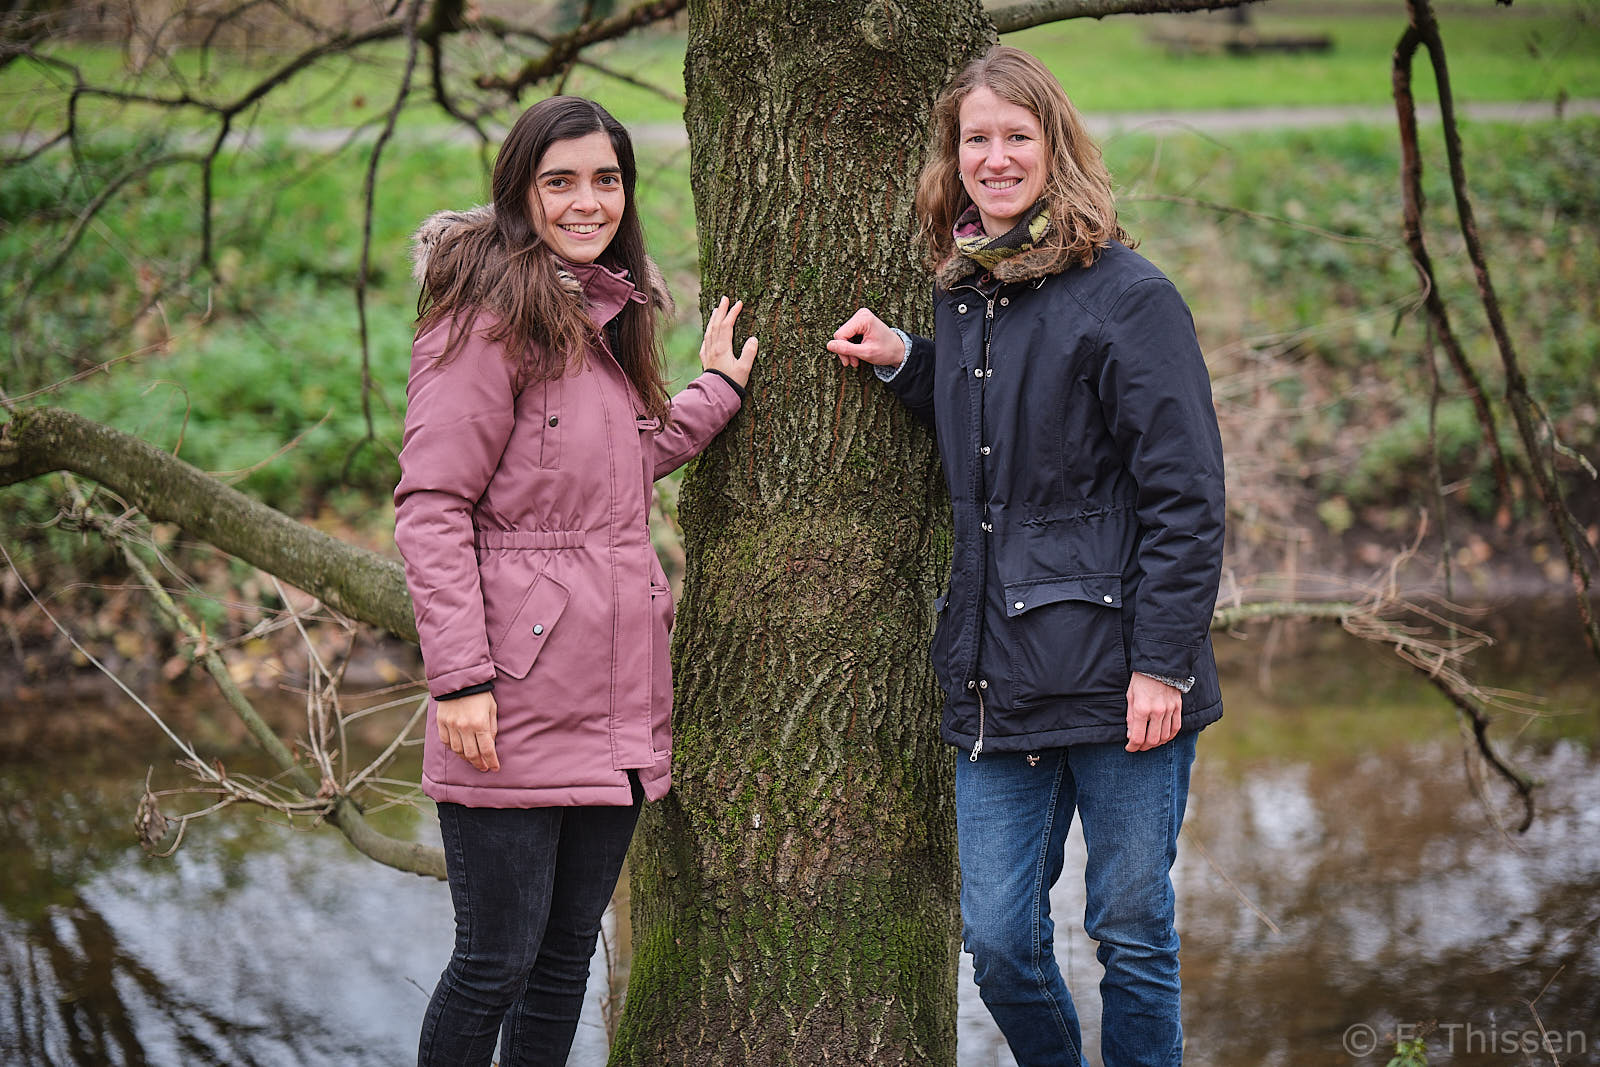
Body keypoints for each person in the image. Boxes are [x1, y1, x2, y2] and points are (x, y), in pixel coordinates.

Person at [827, 47, 1225, 1067]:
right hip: (996, 668)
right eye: (976, 140)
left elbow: (1187, 496)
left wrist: (1162, 660)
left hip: (1123, 672)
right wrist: (910, 362)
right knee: (999, 941)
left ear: (1054, 147)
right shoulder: (968, 291)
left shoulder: (1129, 296)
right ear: (951, 156)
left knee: (1131, 933)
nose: (994, 158)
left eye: (1015, 136)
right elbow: (997, 435)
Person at [394, 95, 756, 1067]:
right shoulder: (485, 319)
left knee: (561, 960)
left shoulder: (602, 315)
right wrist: (461, 677)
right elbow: (430, 506)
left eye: (606, 179)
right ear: (521, 192)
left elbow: (620, 466)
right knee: (494, 962)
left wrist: (713, 392)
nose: (586, 200)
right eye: (560, 181)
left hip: (614, 703)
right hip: (508, 702)